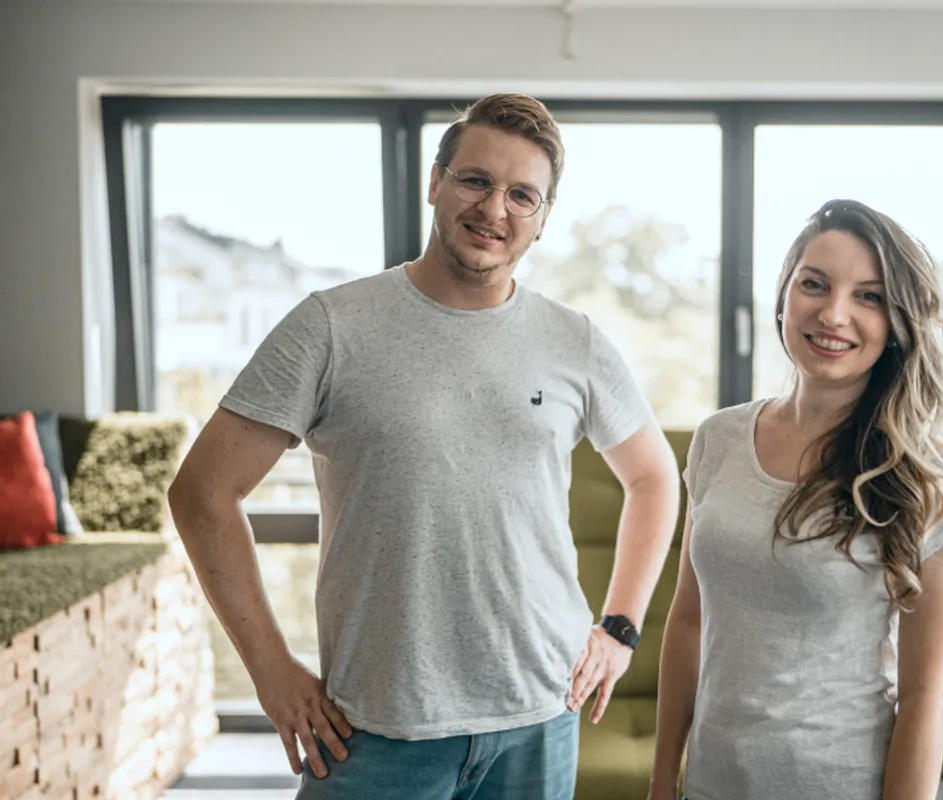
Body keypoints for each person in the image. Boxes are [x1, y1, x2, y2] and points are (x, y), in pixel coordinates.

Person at [168, 93, 681, 800]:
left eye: (521, 194)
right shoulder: (331, 326)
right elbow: (200, 493)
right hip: (375, 728)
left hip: (540, 716)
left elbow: (655, 478)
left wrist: (619, 628)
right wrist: (270, 669)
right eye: (475, 180)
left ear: (542, 218)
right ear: (435, 182)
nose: (494, 209)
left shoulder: (576, 342)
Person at [648, 199, 943, 800]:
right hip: (710, 782)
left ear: (898, 322)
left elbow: (928, 693)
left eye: (869, 297)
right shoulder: (717, 439)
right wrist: (662, 781)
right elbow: (689, 621)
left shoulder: (932, 478)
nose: (833, 314)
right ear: (783, 295)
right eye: (815, 284)